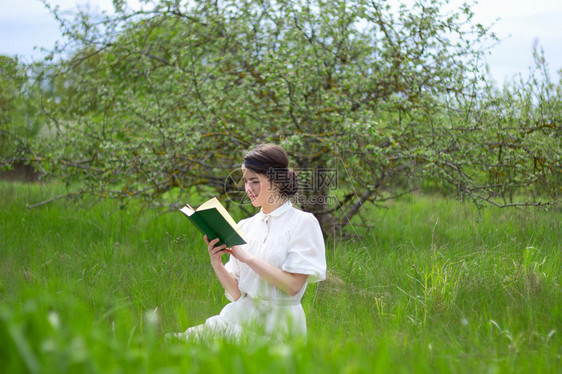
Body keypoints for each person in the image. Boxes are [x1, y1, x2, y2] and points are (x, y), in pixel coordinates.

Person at [168, 144, 326, 342]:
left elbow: (293, 286)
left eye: (254, 181)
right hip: (239, 314)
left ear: (275, 181)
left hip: (278, 324)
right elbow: (236, 293)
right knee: (178, 341)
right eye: (245, 182)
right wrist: (216, 263)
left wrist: (248, 258)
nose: (248, 189)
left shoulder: (302, 223)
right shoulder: (246, 226)